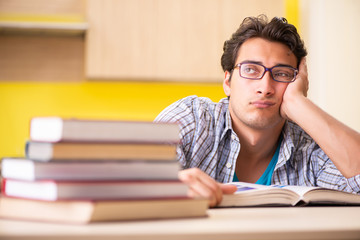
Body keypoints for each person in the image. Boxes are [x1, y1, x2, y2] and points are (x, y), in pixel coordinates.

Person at [155, 15, 360, 207]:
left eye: (282, 74)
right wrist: (166, 188)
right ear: (227, 81)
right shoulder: (193, 119)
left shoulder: (311, 146)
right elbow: (130, 180)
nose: (265, 87)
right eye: (251, 69)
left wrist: (299, 103)